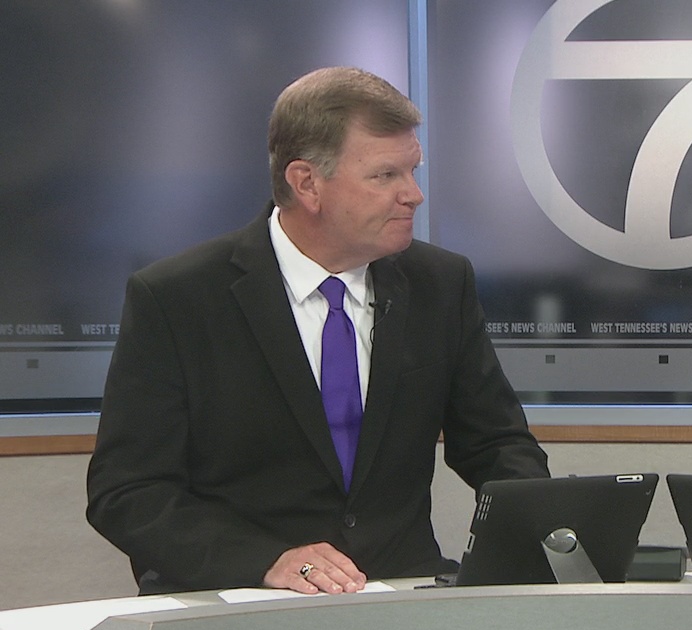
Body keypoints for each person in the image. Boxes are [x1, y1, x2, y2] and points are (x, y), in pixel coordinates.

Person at [86, 66, 550, 596]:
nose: (413, 195)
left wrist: (550, 524)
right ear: (306, 183)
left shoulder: (440, 284)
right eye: (385, 176)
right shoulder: (178, 298)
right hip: (243, 596)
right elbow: (128, 492)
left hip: (398, 592)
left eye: (412, 171)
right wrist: (266, 561)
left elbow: (495, 442)